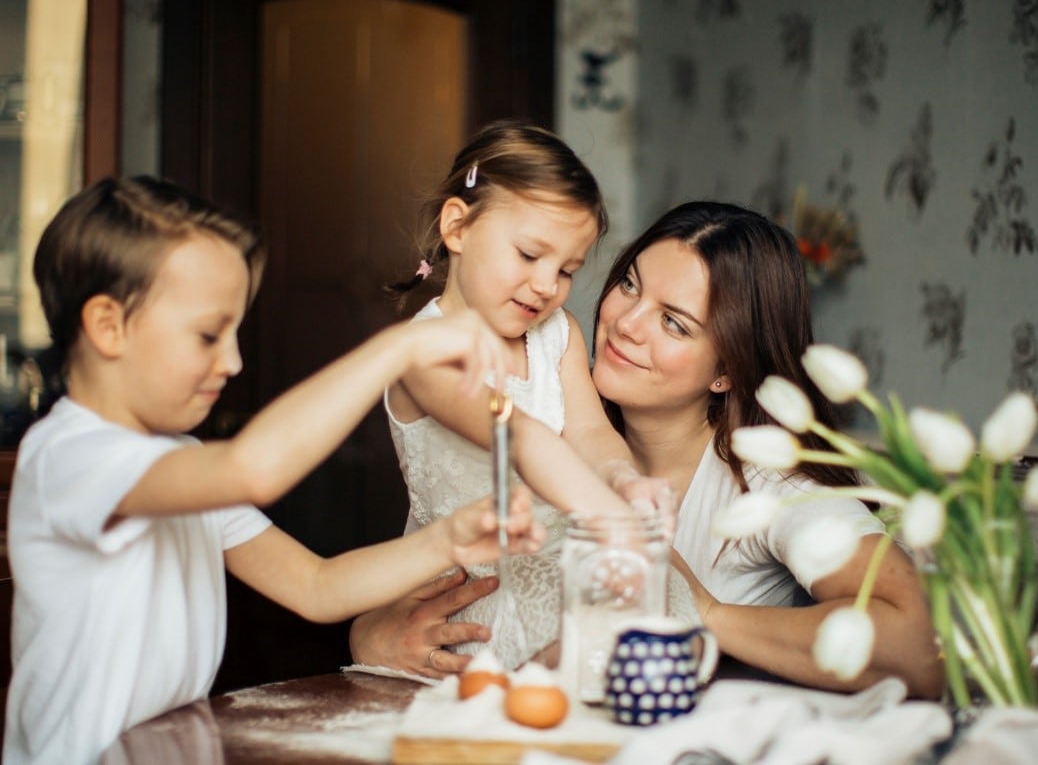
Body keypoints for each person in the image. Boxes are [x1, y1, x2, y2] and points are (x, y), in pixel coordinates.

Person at [4, 176, 544, 765]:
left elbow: (317, 587)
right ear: (109, 325)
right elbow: (252, 470)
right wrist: (399, 348)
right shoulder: (71, 457)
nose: (232, 361)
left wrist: (447, 540)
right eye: (209, 334)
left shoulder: (182, 463)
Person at [351, 200, 944, 699]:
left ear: (728, 370)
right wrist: (373, 634)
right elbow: (434, 574)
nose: (627, 324)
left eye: (675, 324)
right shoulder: (544, 418)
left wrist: (705, 613)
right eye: (629, 285)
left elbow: (918, 649)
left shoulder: (767, 484)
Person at [359, 120, 678, 674]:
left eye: (567, 271)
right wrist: (608, 515)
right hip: (467, 596)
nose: (545, 286)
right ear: (457, 228)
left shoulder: (559, 336)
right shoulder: (422, 351)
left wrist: (623, 481)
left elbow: (590, 432)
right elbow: (517, 434)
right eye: (529, 255)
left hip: (557, 574)